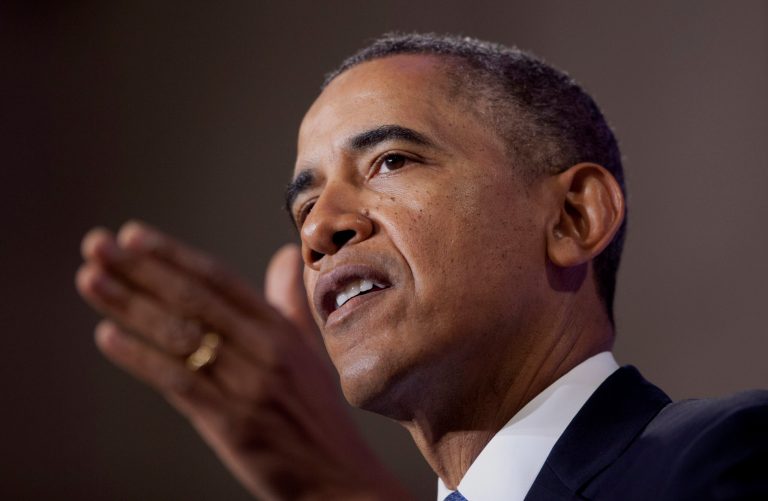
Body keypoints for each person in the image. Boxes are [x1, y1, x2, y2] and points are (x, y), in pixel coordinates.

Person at [76, 33, 768, 500]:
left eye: (391, 161)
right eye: (305, 204)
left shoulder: (733, 457)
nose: (320, 228)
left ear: (572, 218)